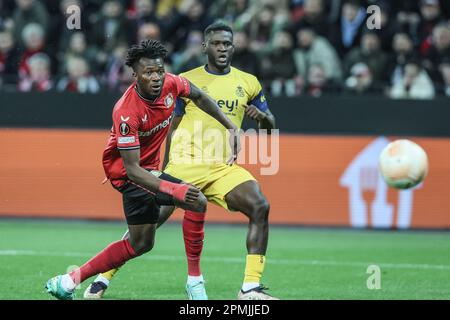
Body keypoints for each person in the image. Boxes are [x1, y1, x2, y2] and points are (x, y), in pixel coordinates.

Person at [84, 21, 278, 301]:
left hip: (222, 168)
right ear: (204, 47)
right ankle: (104, 277)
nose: (222, 48)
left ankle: (250, 288)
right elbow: (169, 127)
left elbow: (270, 127)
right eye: (216, 43)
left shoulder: (249, 82)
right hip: (184, 165)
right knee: (146, 230)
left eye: (227, 43)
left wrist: (265, 120)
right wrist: (162, 170)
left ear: (234, 47)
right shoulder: (180, 78)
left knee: (260, 205)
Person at [45, 39, 240, 300]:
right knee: (196, 200)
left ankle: (68, 281)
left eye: (159, 70)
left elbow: (200, 96)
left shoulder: (172, 83)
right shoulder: (126, 112)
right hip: (127, 175)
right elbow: (133, 170)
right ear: (135, 76)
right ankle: (195, 285)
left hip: (148, 171)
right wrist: (175, 188)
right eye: (148, 72)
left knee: (141, 243)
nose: (156, 77)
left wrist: (230, 126)